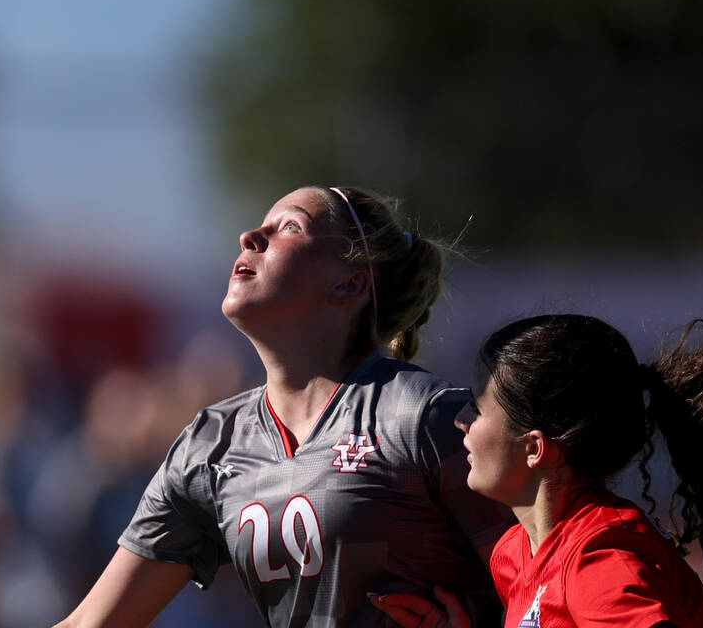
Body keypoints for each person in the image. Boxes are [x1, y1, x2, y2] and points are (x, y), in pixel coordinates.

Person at [54, 186, 515, 627]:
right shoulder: (209, 445)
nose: (250, 237)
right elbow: (90, 622)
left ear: (349, 283)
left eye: (289, 227)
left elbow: (550, 587)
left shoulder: (424, 418)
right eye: (261, 225)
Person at [371, 307, 703, 628]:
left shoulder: (601, 560)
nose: (459, 421)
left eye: (477, 409)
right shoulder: (517, 552)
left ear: (535, 448)